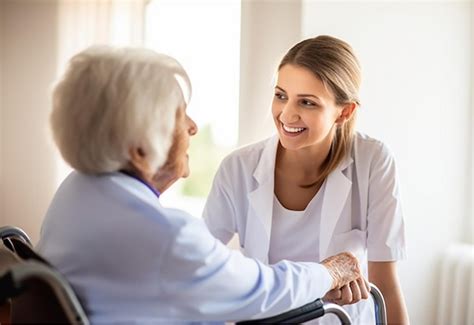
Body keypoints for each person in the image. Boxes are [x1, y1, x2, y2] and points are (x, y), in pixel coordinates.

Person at [36, 45, 366, 324]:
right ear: (139, 148)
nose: (193, 127)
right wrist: (330, 272)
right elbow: (262, 290)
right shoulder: (168, 237)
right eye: (179, 115)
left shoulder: (74, 192)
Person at [203, 35, 409, 325]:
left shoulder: (373, 161)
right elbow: (200, 263)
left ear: (344, 112)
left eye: (308, 102)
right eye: (281, 95)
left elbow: (384, 285)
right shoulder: (237, 169)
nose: (287, 114)